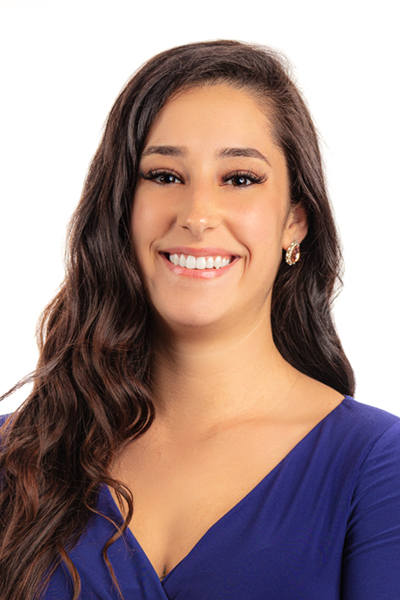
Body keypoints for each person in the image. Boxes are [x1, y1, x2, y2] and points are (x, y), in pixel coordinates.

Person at [0, 40, 399, 600]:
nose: (196, 216)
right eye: (164, 175)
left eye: (239, 179)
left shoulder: (378, 467)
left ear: (295, 222)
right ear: (120, 209)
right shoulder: (18, 456)